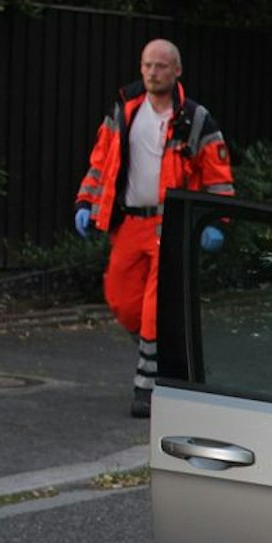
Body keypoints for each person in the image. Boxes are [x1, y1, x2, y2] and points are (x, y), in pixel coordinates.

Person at [74, 39, 234, 417]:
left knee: (153, 308)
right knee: (121, 299)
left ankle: (147, 389)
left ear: (177, 71)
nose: (152, 72)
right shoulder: (124, 110)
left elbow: (217, 176)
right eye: (147, 65)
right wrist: (85, 202)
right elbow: (101, 162)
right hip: (130, 222)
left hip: (170, 225)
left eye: (161, 66)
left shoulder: (195, 119)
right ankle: (164, 356)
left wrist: (217, 222)